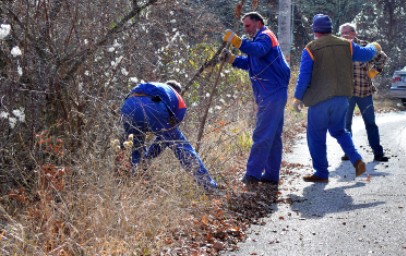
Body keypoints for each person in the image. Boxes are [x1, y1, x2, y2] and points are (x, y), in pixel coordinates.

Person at [292, 14, 380, 183]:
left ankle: (321, 173)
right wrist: (374, 46)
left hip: (320, 100)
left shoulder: (311, 48)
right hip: (342, 98)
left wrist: (298, 98)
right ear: (331, 29)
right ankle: (357, 160)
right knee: (339, 131)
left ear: (315, 31)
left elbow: (304, 76)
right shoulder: (347, 45)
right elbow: (367, 54)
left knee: (316, 135)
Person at [221, 12, 291, 186]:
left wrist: (237, 42)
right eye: (244, 26)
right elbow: (251, 64)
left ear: (258, 23)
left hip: (272, 93)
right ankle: (271, 176)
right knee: (273, 136)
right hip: (269, 92)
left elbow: (258, 51)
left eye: (248, 25)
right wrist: (232, 60)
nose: (245, 29)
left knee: (262, 134)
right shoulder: (258, 40)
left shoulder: (266, 36)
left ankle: (252, 175)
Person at [120, 80, 218, 190]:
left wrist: (147, 158)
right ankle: (208, 185)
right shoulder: (178, 99)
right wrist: (151, 156)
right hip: (154, 107)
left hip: (128, 106)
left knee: (136, 148)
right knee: (182, 146)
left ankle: (136, 181)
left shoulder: (151, 86)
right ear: (178, 92)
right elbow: (166, 139)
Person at [339, 22, 389, 162]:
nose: (345, 35)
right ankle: (348, 152)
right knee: (346, 124)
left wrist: (373, 72)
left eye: (348, 32)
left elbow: (382, 58)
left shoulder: (365, 46)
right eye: (342, 33)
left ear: (354, 33)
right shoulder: (339, 48)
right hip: (346, 93)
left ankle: (378, 153)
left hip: (365, 91)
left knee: (370, 123)